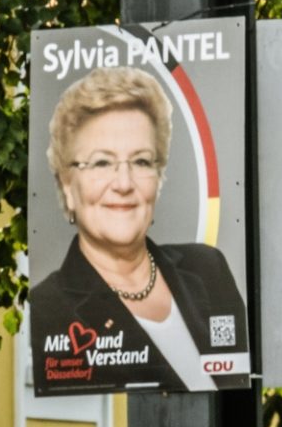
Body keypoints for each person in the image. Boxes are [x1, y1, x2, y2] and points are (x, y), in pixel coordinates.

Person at [29, 66, 249, 393]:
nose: (124, 184)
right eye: (102, 162)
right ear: (68, 184)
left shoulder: (208, 269)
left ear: (158, 179)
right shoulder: (48, 307)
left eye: (142, 162)